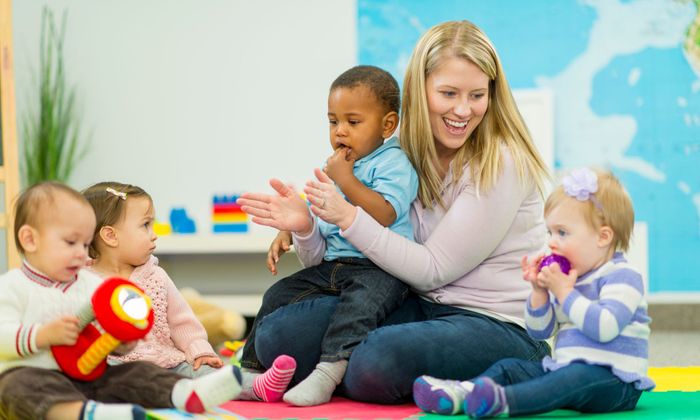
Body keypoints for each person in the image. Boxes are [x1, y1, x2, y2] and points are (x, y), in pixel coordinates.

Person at [236, 19, 551, 405]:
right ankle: (348, 370)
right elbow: (329, 254)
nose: (463, 110)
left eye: (477, 95)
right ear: (420, 92)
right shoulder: (395, 152)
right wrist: (305, 225)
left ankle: (522, 368)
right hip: (415, 304)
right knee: (277, 337)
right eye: (448, 93)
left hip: (493, 321)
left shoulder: (501, 162)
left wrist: (349, 217)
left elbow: (434, 268)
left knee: (377, 361)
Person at [239, 65, 419, 406]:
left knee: (357, 309)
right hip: (335, 265)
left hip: (379, 269)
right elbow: (323, 215)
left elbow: (384, 213)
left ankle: (328, 372)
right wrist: (291, 229)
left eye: (353, 122)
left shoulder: (393, 163)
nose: (340, 132)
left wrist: (346, 179)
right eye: (333, 121)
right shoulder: (340, 166)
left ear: (387, 125)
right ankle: (250, 372)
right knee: (279, 293)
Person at [413, 168, 653, 417]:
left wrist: (565, 293)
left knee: (574, 376)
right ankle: (463, 393)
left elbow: (605, 327)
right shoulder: (570, 280)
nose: (551, 242)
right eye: (550, 232)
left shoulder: (623, 277)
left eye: (562, 232)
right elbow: (540, 332)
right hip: (565, 370)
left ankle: (503, 402)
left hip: (616, 381)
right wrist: (539, 292)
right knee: (510, 368)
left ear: (603, 237)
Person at [0, 182, 243, 420]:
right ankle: (80, 413)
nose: (81, 253)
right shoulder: (13, 287)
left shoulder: (90, 284)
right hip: (41, 377)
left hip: (91, 377)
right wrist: (43, 336)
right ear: (30, 240)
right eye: (71, 242)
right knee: (14, 388)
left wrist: (121, 341)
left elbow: (104, 332)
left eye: (85, 244)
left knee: (138, 371)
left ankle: (182, 393)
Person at [82, 182, 296, 401]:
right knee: (107, 382)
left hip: (168, 365)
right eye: (145, 225)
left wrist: (200, 351)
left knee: (205, 374)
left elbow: (182, 322)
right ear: (110, 236)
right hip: (117, 369)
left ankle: (257, 385)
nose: (154, 235)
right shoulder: (83, 283)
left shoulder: (156, 276)